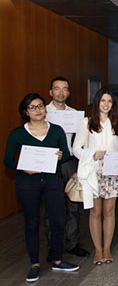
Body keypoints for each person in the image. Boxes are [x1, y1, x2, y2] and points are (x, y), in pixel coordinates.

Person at [4, 92, 78, 282]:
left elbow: (67, 154)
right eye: (32, 107)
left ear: (45, 108)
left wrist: (62, 156)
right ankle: (34, 264)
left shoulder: (57, 130)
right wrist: (23, 167)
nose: (37, 110)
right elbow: (7, 161)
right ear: (25, 111)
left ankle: (57, 260)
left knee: (58, 221)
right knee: (32, 222)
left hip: (53, 182)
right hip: (27, 184)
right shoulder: (17, 133)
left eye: (40, 106)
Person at [73, 88, 118, 264]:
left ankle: (107, 249)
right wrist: (92, 154)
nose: (106, 104)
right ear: (97, 102)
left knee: (109, 211)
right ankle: (98, 250)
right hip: (93, 172)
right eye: (103, 101)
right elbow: (76, 149)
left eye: (109, 101)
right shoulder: (86, 123)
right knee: (95, 211)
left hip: (112, 172)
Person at [45, 78, 88, 260]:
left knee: (73, 206)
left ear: (68, 93)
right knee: (52, 208)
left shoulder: (75, 115)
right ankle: (53, 247)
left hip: (71, 162)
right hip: (49, 164)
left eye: (64, 89)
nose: (61, 93)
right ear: (51, 92)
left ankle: (72, 243)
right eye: (57, 89)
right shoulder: (43, 112)